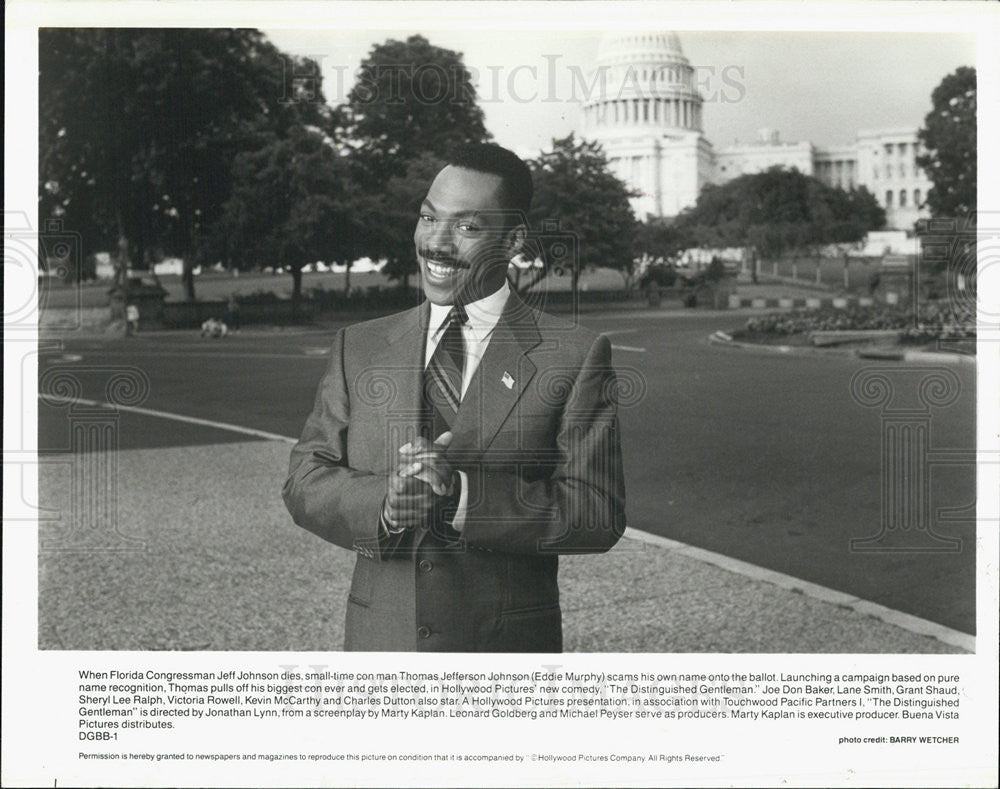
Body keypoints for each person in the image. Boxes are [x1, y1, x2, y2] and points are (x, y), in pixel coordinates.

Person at [282, 143, 627, 652]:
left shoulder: (574, 356)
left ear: (513, 241)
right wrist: (387, 504)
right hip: (382, 650)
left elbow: (597, 515)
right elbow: (305, 479)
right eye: (427, 217)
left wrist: (463, 495)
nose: (435, 243)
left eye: (466, 228)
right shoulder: (360, 346)